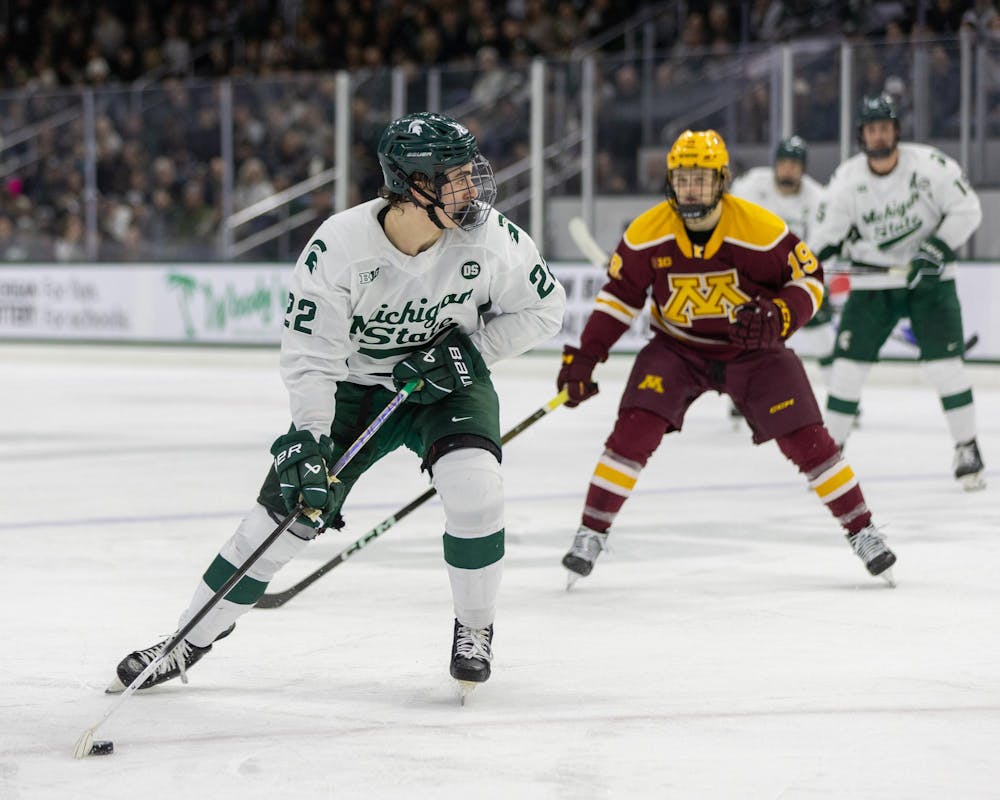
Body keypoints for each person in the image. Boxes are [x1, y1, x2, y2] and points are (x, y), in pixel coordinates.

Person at [108, 112, 566, 694]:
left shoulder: (489, 236)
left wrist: (468, 354)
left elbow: (543, 310)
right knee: (281, 519)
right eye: (453, 176)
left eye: (470, 172)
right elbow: (311, 353)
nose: (471, 187)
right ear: (412, 184)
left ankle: (474, 629)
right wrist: (311, 436)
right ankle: (184, 643)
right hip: (355, 388)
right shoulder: (341, 246)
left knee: (478, 493)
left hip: (448, 382)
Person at [555, 129, 896, 587]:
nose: (691, 188)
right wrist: (584, 358)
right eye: (682, 178)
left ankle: (863, 529)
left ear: (722, 181)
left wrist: (779, 315)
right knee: (631, 433)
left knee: (810, 440)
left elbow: (810, 279)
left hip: (754, 352)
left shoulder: (760, 229)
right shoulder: (645, 234)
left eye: (701, 178)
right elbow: (618, 300)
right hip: (677, 348)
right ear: (670, 182)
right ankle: (590, 532)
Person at [810, 94, 985, 490]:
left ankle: (967, 446)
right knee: (848, 369)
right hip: (872, 286)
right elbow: (825, 237)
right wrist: (820, 255)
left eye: (885, 127)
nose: (879, 135)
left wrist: (936, 249)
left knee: (945, 367)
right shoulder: (847, 180)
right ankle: (829, 455)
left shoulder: (929, 166)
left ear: (896, 131)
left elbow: (968, 209)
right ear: (862, 135)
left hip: (929, 282)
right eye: (872, 129)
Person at [729, 135, 836, 423]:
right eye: (783, 163)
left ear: (803, 168)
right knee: (748, 335)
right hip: (754, 278)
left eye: (794, 164)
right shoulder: (751, 186)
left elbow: (822, 243)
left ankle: (840, 396)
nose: (788, 169)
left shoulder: (817, 198)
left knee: (823, 336)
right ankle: (742, 396)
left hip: (796, 279)